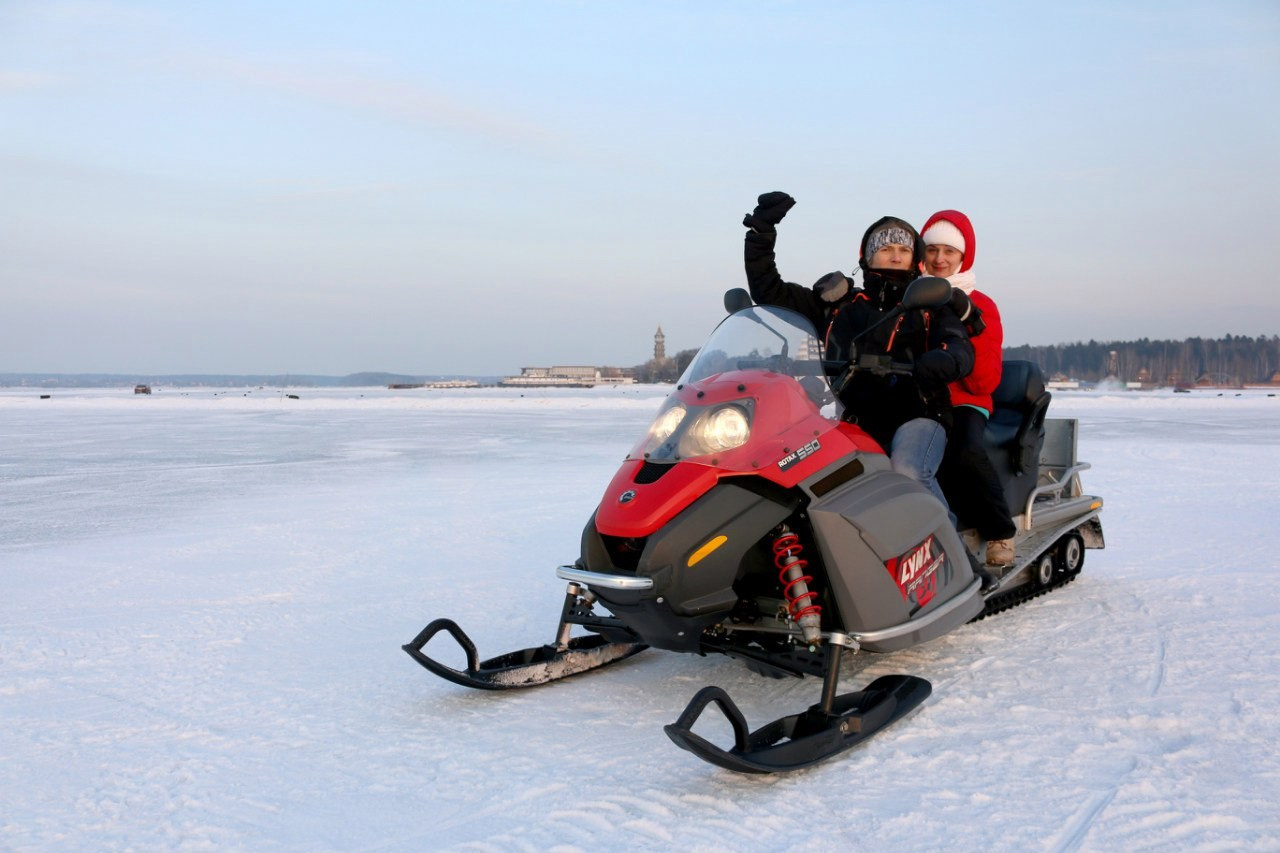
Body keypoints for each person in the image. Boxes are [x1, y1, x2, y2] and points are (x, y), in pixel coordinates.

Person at [741, 191, 976, 524]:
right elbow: (770, 291)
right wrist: (761, 234)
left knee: (907, 471)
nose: (895, 256)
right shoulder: (841, 304)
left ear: (914, 260)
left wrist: (943, 360)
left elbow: (958, 345)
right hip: (852, 416)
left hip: (917, 413)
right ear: (867, 255)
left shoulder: (930, 305)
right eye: (885, 248)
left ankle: (954, 558)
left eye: (903, 250)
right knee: (797, 471)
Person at [920, 209, 1018, 567]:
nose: (940, 259)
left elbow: (985, 381)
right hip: (918, 399)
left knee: (963, 448)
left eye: (949, 251)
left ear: (964, 256)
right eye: (932, 250)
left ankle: (999, 530)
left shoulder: (981, 305)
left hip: (965, 400)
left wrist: (954, 355)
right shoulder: (911, 301)